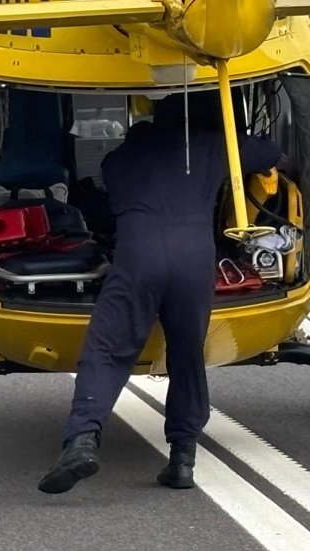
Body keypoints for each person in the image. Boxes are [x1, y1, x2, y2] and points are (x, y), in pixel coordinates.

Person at [38, 93, 282, 495]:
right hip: (195, 260)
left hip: (139, 256)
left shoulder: (121, 159)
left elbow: (105, 199)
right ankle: (182, 458)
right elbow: (270, 149)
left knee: (108, 349)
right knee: (187, 354)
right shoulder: (211, 145)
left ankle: (82, 440)